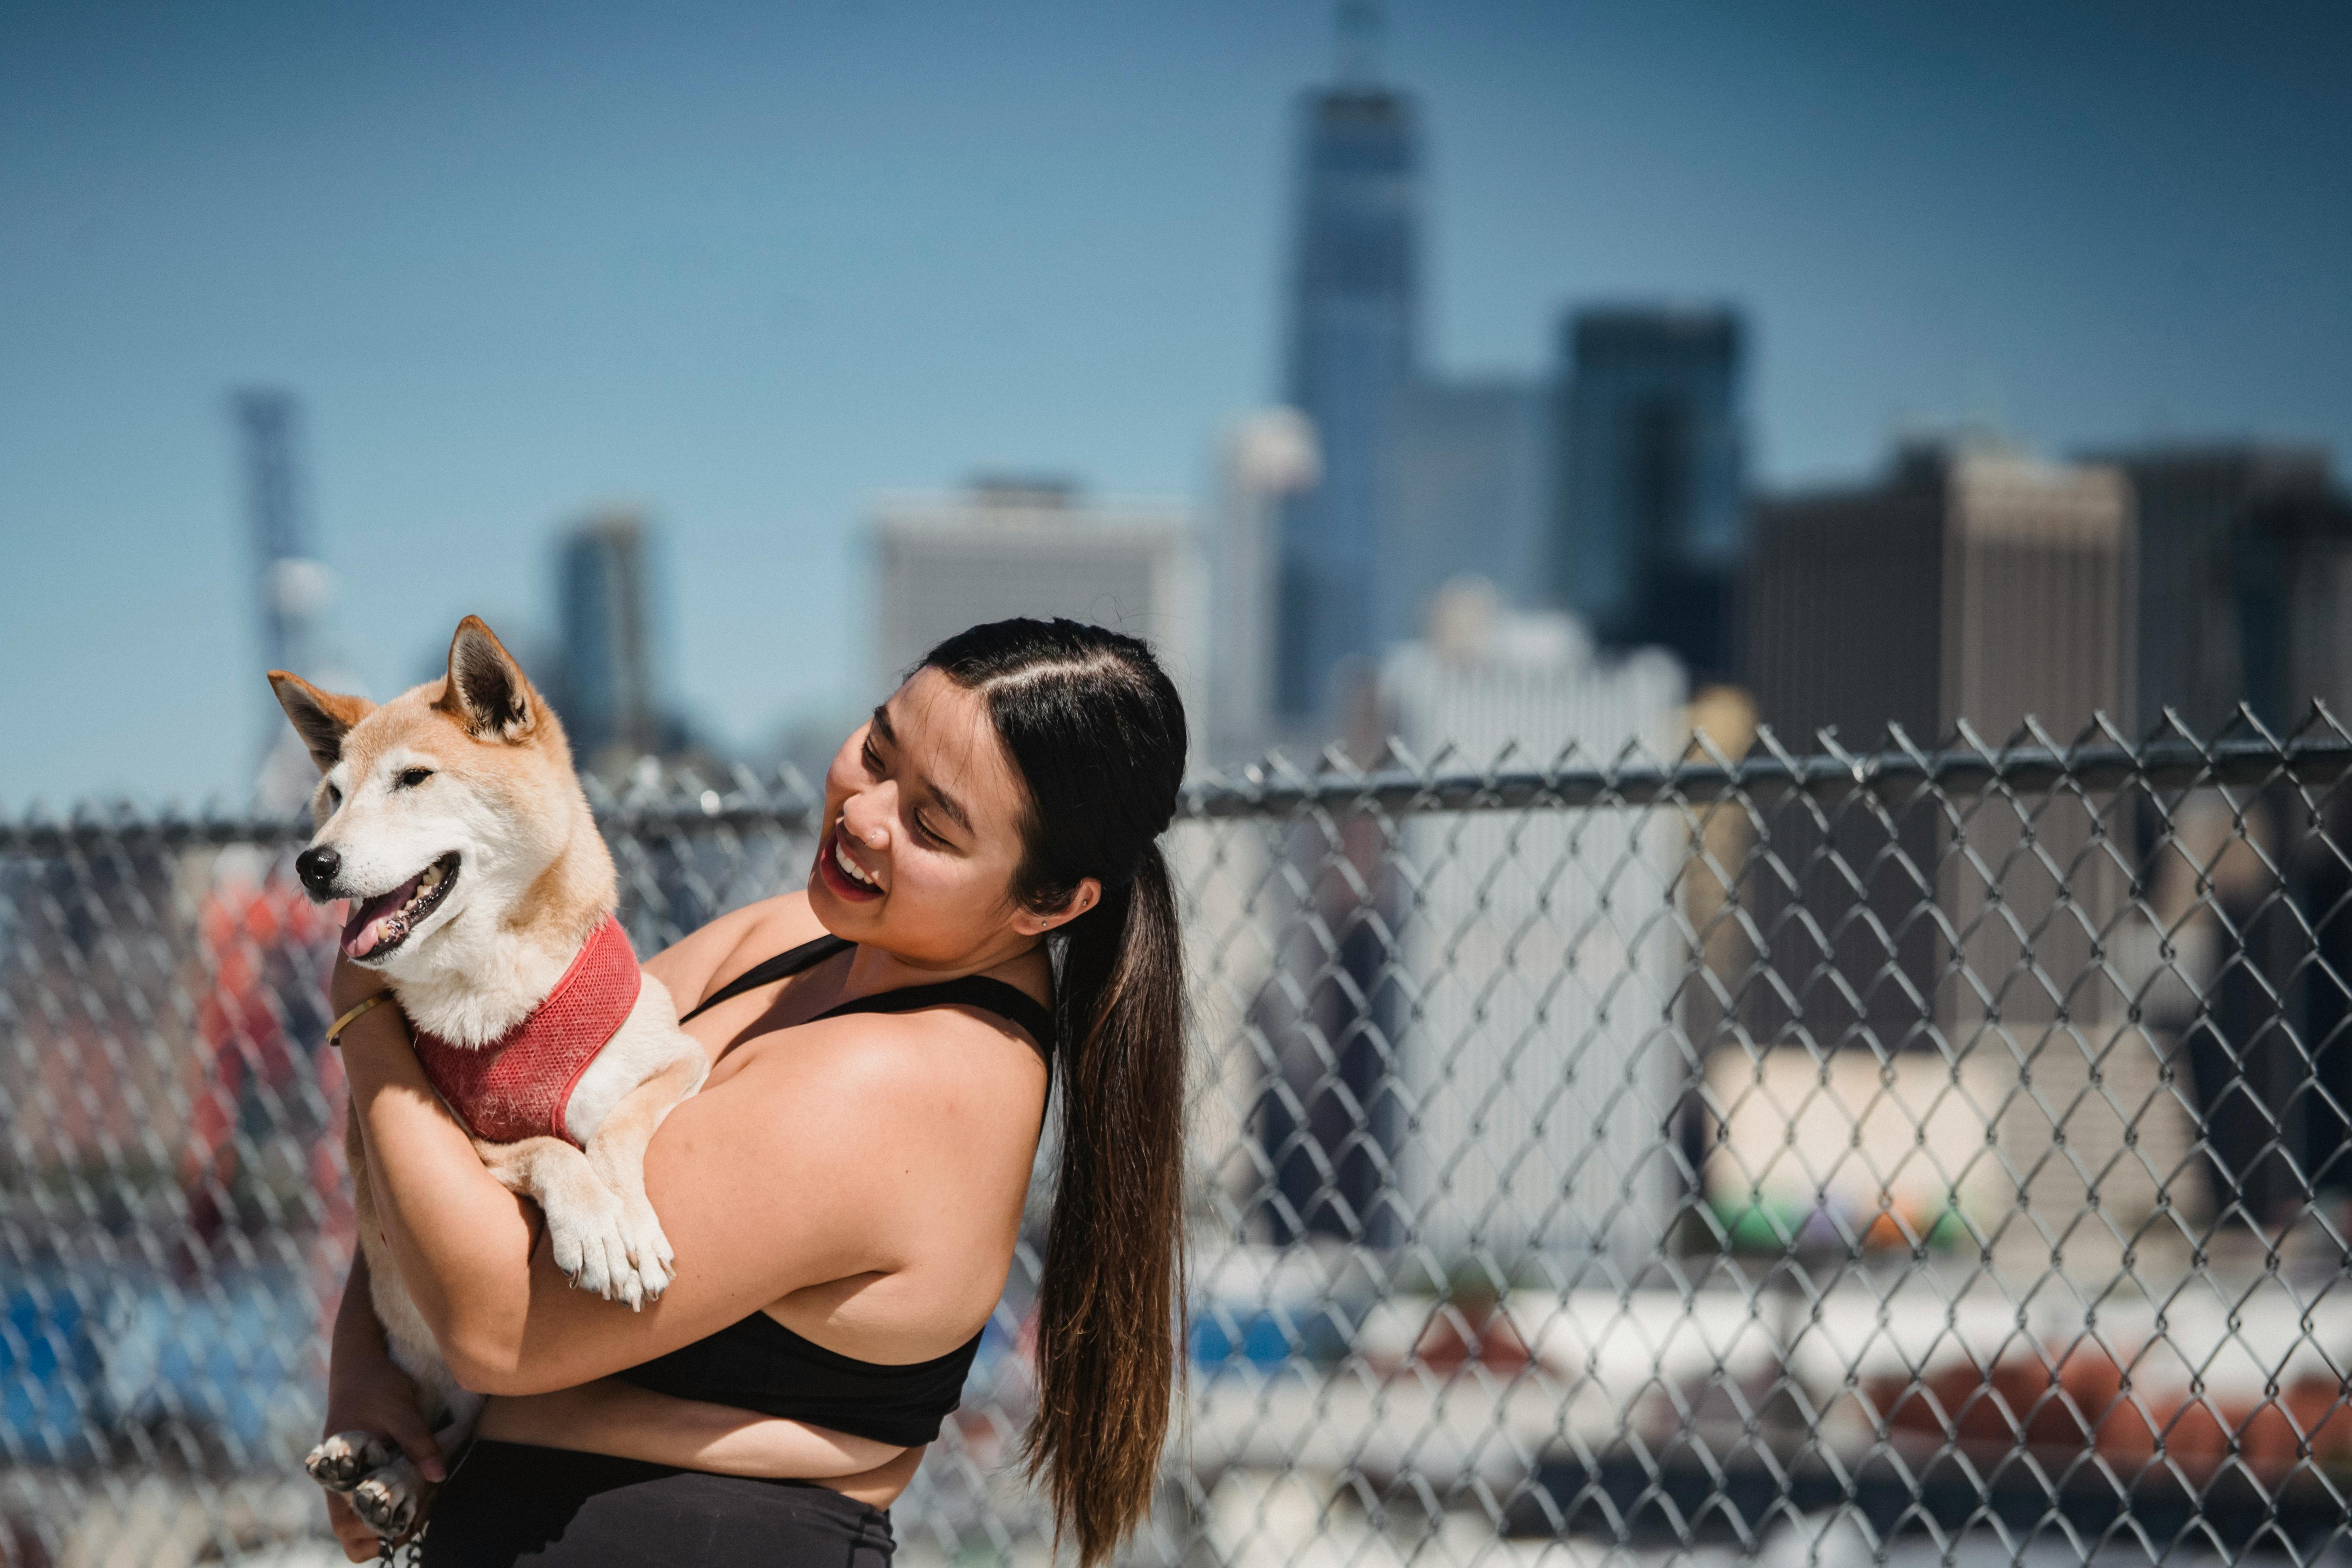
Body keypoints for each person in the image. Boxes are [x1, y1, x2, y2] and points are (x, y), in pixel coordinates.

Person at [322, 619, 1189, 1566]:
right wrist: (364, 1370)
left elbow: (497, 1325)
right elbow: (472, 1113)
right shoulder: (789, 939)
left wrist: (365, 1014)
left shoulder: (901, 1080)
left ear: (1050, 904)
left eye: (932, 825)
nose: (864, 814)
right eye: (875, 748)